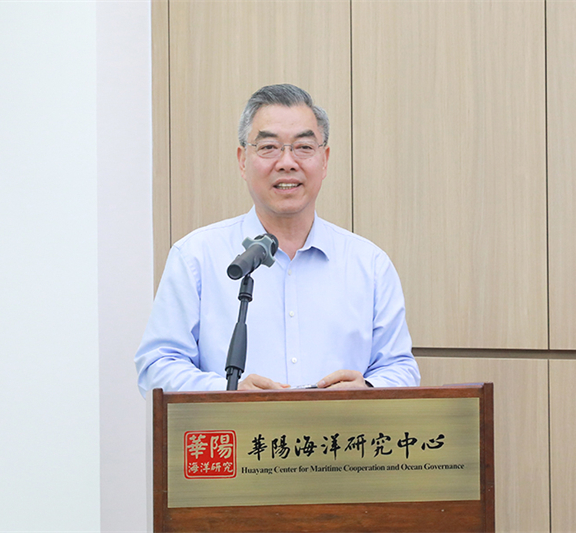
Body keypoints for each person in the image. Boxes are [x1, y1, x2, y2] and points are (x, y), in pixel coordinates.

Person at [135, 84, 420, 393]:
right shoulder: (196, 257)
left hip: (341, 425)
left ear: (324, 160)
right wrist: (228, 391)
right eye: (269, 147)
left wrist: (368, 388)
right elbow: (156, 368)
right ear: (243, 161)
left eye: (303, 147)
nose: (287, 162)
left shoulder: (370, 264)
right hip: (238, 425)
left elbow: (400, 368)